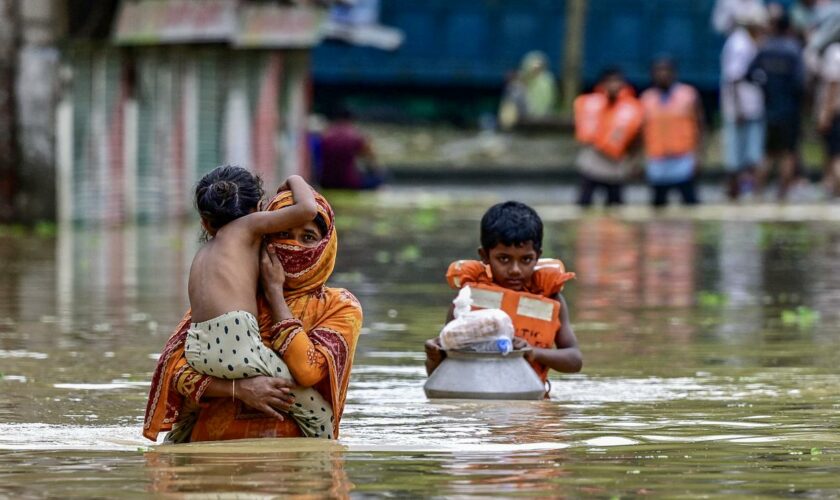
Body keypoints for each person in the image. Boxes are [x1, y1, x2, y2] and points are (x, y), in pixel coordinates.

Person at [143, 185, 363, 443]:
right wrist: (237, 390)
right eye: (283, 234)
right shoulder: (234, 297)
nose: (293, 246)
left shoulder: (340, 306)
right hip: (210, 459)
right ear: (266, 237)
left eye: (308, 237)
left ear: (325, 245)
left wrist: (275, 295)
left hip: (293, 467)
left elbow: (308, 371)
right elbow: (175, 371)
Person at [424, 201, 583, 395]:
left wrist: (532, 352)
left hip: (529, 404)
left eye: (526, 259)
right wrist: (433, 357)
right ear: (485, 256)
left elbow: (575, 360)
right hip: (476, 410)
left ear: (538, 256)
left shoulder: (551, 300)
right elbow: (440, 376)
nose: (515, 270)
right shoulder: (467, 301)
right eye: (504, 259)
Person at [748, 13, 806, 199]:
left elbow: (749, 74)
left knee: (768, 154)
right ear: (789, 28)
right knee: (788, 153)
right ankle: (782, 195)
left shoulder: (764, 49)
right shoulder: (793, 50)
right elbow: (800, 82)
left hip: (770, 108)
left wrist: (765, 87)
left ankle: (757, 193)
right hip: (790, 109)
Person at [574, 67, 644, 207]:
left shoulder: (632, 108)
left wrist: (634, 160)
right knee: (584, 202)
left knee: (615, 204)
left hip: (616, 163)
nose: (613, 85)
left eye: (617, 82)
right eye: (610, 82)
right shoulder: (590, 103)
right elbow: (582, 128)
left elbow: (638, 137)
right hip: (593, 159)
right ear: (602, 84)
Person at [640, 58, 705, 207]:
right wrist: (640, 159)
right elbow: (642, 131)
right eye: (659, 71)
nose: (663, 75)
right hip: (657, 160)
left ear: (674, 73)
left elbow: (700, 126)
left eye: (667, 71)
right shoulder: (647, 99)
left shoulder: (688, 95)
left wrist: (699, 154)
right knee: (658, 205)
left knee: (690, 203)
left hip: (682, 159)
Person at [721, 5, 769, 200]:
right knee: (735, 156)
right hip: (740, 108)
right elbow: (733, 79)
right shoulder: (739, 44)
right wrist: (738, 108)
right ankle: (734, 193)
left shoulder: (751, 41)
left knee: (752, 154)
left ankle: (751, 193)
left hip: (753, 106)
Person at [319, 109, 383, 190]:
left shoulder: (325, 134)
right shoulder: (355, 135)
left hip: (326, 181)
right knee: (379, 178)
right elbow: (371, 158)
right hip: (349, 182)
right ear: (352, 119)